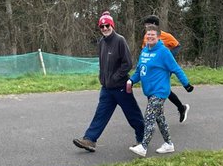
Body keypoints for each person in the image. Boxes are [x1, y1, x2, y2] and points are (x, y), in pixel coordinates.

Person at [72, 13, 146, 152]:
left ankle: (142, 139)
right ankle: (89, 140)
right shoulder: (101, 42)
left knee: (133, 115)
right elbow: (102, 62)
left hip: (121, 87)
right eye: (102, 26)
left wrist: (115, 77)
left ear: (112, 25)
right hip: (106, 88)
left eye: (107, 25)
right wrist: (103, 78)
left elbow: (128, 63)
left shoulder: (120, 40)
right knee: (101, 114)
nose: (105, 28)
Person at [128, 24, 193, 157]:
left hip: (160, 91)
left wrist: (186, 84)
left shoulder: (164, 52)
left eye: (153, 35)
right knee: (160, 118)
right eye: (148, 35)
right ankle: (169, 144)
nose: (150, 37)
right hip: (149, 91)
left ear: (158, 37)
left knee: (149, 116)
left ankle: (144, 146)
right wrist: (131, 80)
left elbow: (176, 69)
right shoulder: (145, 51)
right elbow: (140, 70)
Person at [141, 13, 190, 123]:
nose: (145, 27)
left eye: (147, 25)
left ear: (154, 25)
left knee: (158, 89)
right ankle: (181, 108)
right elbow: (144, 51)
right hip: (152, 69)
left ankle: (152, 116)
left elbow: (177, 46)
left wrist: (167, 59)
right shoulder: (146, 36)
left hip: (164, 68)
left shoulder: (165, 36)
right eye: (145, 25)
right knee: (162, 89)